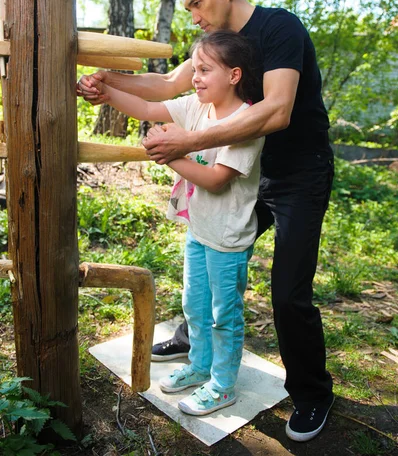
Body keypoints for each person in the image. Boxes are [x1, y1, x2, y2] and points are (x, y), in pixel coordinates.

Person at [78, 0, 335, 441]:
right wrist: (108, 84)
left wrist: (185, 144)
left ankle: (314, 394)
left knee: (287, 292)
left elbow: (278, 111)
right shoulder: (213, 48)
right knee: (205, 251)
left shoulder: (279, 28)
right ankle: (195, 345)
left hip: (298, 175)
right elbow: (167, 89)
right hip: (247, 175)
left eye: (197, 2)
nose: (193, 14)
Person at [80, 31, 264, 416]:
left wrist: (167, 152)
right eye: (194, 68)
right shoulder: (198, 107)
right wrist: (108, 93)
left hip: (228, 239)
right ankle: (199, 366)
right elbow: (149, 109)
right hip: (199, 231)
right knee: (194, 306)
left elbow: (215, 178)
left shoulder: (246, 123)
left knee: (222, 315)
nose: (195, 77)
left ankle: (223, 384)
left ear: (234, 75)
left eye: (204, 70)